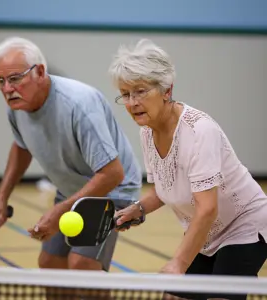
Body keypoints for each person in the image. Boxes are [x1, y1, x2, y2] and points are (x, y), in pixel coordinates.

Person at [108, 38, 267, 300]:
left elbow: (207, 208)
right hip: (207, 232)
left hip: (244, 227)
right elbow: (166, 187)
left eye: (140, 91)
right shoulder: (148, 132)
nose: (132, 102)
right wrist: (138, 209)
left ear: (166, 91)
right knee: (174, 297)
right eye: (126, 94)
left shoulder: (199, 130)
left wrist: (178, 264)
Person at [0, 36, 142, 273]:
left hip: (113, 190)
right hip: (74, 189)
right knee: (50, 265)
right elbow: (21, 147)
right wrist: (2, 197)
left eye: (15, 79)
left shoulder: (80, 105)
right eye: (1, 81)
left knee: (83, 264)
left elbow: (112, 174)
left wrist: (58, 211)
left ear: (39, 72)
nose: (8, 89)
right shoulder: (18, 109)